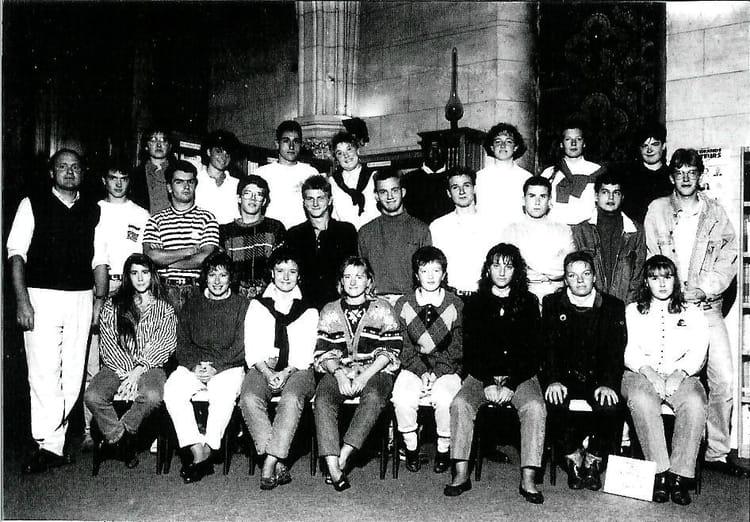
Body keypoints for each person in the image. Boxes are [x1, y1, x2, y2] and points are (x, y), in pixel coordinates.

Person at [7, 148, 108, 474]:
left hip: (81, 297)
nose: (69, 172)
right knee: (43, 371)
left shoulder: (93, 210)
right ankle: (49, 444)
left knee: (74, 374)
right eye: (62, 167)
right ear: (52, 172)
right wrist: (22, 300)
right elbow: (16, 254)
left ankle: (53, 441)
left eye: (75, 167)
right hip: (41, 297)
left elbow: (100, 260)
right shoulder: (32, 203)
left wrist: (99, 301)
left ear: (83, 173)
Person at [644, 148, 741, 476]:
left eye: (692, 172)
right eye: (679, 172)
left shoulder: (715, 212)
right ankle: (664, 451)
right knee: (665, 376)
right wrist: (671, 292)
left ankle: (717, 453)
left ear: (700, 176)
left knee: (723, 378)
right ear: (671, 176)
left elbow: (729, 258)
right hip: (669, 308)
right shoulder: (657, 209)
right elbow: (653, 257)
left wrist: (706, 289)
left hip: (707, 307)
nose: (685, 178)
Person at [446, 243, 546, 504]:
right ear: (487, 269)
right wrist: (489, 381)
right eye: (496, 265)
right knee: (460, 404)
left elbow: (532, 351)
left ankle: (528, 479)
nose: (502, 271)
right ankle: (460, 474)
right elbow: (471, 350)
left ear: (517, 271)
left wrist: (511, 383)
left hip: (520, 375)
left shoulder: (528, 302)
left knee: (535, 407)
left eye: (508, 266)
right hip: (482, 374)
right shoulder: (474, 303)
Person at [621, 255, 709, 505]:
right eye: (654, 278)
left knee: (694, 403)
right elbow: (628, 349)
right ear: (646, 282)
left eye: (667, 277)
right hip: (640, 373)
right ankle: (659, 474)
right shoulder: (632, 311)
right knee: (642, 400)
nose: (661, 284)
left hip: (681, 375)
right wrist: (649, 373)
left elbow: (699, 350)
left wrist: (680, 373)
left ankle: (679, 477)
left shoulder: (692, 312)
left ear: (675, 280)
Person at [313, 256, 402, 491]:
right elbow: (323, 351)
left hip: (376, 370)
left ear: (369, 281)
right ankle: (332, 465)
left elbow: (391, 349)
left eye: (359, 276)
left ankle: (343, 457)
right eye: (348, 276)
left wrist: (364, 376)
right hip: (339, 369)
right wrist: (339, 374)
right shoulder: (330, 310)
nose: (353, 282)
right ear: (341, 282)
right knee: (322, 399)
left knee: (373, 397)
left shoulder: (383, 308)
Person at [540, 251, 626, 491]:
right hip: (564, 377)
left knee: (610, 405)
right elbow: (547, 348)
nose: (580, 280)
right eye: (572, 275)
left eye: (585, 274)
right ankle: (573, 456)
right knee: (554, 400)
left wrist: (608, 382)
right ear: (565, 279)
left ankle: (594, 459)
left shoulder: (613, 306)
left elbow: (616, 351)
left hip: (598, 378)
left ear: (594, 277)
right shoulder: (552, 304)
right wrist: (553, 379)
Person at [162, 252, 250, 483]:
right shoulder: (193, 304)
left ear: (231, 278)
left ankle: (209, 448)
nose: (217, 281)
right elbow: (181, 343)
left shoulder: (242, 305)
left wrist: (217, 367)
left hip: (228, 365)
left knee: (222, 395)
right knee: (172, 390)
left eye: (223, 275)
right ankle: (197, 450)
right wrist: (194, 366)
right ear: (205, 277)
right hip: (196, 365)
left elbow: (242, 345)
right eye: (212, 275)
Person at [84, 253, 177, 468]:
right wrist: (127, 372)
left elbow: (165, 343)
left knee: (152, 395)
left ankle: (122, 434)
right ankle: (122, 441)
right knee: (93, 396)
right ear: (128, 276)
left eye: (145, 272)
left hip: (150, 367)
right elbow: (108, 344)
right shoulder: (112, 305)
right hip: (116, 367)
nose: (140, 278)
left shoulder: (164, 309)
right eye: (134, 273)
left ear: (152, 275)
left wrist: (138, 371)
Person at [83, 159, 151, 450]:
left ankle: (130, 427)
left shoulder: (141, 214)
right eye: (113, 178)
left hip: (130, 288)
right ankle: (90, 429)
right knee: (93, 359)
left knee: (128, 353)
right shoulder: (93, 210)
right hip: (98, 286)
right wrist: (99, 296)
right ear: (104, 180)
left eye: (124, 178)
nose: (119, 183)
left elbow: (144, 256)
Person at [239, 247, 319, 490]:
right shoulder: (257, 305)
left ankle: (269, 462)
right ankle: (279, 463)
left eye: (292, 271)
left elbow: (305, 352)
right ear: (272, 273)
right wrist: (267, 372)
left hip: (297, 369)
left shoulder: (309, 308)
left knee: (292, 397)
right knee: (249, 397)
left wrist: (284, 373)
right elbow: (252, 346)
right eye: (280, 270)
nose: (286, 277)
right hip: (264, 366)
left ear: (299, 275)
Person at [391, 246, 463, 473]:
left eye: (436, 271)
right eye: (424, 271)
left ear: (444, 274)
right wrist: (421, 371)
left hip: (447, 368)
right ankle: (411, 447)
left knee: (445, 399)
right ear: (416, 274)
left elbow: (458, 347)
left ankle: (443, 449)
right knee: (402, 398)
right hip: (413, 366)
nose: (430, 277)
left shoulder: (455, 304)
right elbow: (402, 344)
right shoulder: (404, 304)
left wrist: (437, 372)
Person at [142, 160, 220, 313]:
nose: (186, 186)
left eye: (190, 182)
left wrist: (165, 260)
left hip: (195, 290)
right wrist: (187, 251)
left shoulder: (207, 218)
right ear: (169, 187)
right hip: (162, 291)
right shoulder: (156, 220)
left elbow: (205, 258)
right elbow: (150, 256)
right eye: (179, 182)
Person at [571, 170, 645, 304]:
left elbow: (638, 275)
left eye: (616, 193)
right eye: (605, 192)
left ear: (622, 197)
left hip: (624, 305)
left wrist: (627, 306)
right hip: (591, 305)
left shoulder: (636, 231)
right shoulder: (580, 231)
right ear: (596, 196)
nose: (611, 198)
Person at [358, 168, 432, 302]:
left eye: (394, 190)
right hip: (376, 303)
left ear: (403, 192)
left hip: (411, 303)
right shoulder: (366, 232)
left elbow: (428, 274)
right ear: (376, 196)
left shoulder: (421, 229)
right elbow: (361, 273)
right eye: (383, 192)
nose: (390, 196)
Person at [285, 175, 358, 310]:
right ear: (304, 202)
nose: (315, 204)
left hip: (339, 305)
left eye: (321, 198)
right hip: (303, 307)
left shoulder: (346, 231)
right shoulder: (294, 234)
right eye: (310, 199)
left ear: (330, 200)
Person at [500, 176, 576, 304]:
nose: (537, 202)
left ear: (549, 200)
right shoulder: (511, 231)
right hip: (523, 295)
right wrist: (553, 261)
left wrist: (530, 264)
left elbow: (569, 267)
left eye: (542, 196)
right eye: (532, 196)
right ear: (523, 200)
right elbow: (511, 270)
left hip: (557, 294)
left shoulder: (563, 230)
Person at [430, 167, 501, 298]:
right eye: (455, 187)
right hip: (450, 297)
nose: (462, 191)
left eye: (466, 185)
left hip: (484, 297)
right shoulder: (438, 227)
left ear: (474, 188)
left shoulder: (493, 224)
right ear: (449, 193)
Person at [219, 175, 286, 299]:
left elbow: (282, 267)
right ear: (239, 198)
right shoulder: (225, 232)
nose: (253, 198)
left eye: (258, 194)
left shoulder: (275, 228)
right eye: (248, 193)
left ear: (264, 201)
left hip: (269, 298)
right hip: (234, 299)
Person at [255, 120, 320, 229]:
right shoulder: (261, 173)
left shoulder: (310, 173)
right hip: (271, 232)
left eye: (296, 141)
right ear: (277, 143)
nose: (291, 146)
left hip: (303, 233)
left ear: (301, 144)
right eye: (286, 141)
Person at [541, 120, 605, 225]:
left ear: (584, 143)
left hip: (586, 229)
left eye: (578, 139)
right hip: (555, 228)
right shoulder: (549, 173)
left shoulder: (596, 171)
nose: (573, 143)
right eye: (568, 139)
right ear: (561, 144)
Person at [475, 122, 533, 229]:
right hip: (486, 232)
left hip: (516, 233)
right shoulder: (479, 177)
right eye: (498, 142)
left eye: (508, 142)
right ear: (492, 147)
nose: (502, 145)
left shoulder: (526, 177)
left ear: (515, 147)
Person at [621, 121, 672, 225]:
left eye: (654, 144)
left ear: (663, 146)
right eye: (645, 146)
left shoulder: (672, 177)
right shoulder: (628, 177)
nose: (649, 150)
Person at [329, 131, 379, 230]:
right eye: (340, 153)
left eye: (349, 149)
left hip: (373, 233)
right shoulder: (333, 182)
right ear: (336, 159)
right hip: (346, 235)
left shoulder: (373, 176)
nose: (346, 155)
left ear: (357, 150)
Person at [195, 129, 241, 225]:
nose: (223, 157)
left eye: (227, 153)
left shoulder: (237, 184)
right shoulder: (195, 181)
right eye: (218, 152)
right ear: (209, 152)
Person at [401, 138, 452, 224]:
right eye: (431, 149)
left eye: (439, 149)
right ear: (424, 152)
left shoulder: (453, 178)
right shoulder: (409, 179)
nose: (435, 153)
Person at [130, 125, 175, 214]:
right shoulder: (136, 175)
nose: (159, 145)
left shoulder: (177, 172)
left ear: (169, 146)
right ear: (146, 146)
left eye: (163, 140)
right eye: (153, 140)